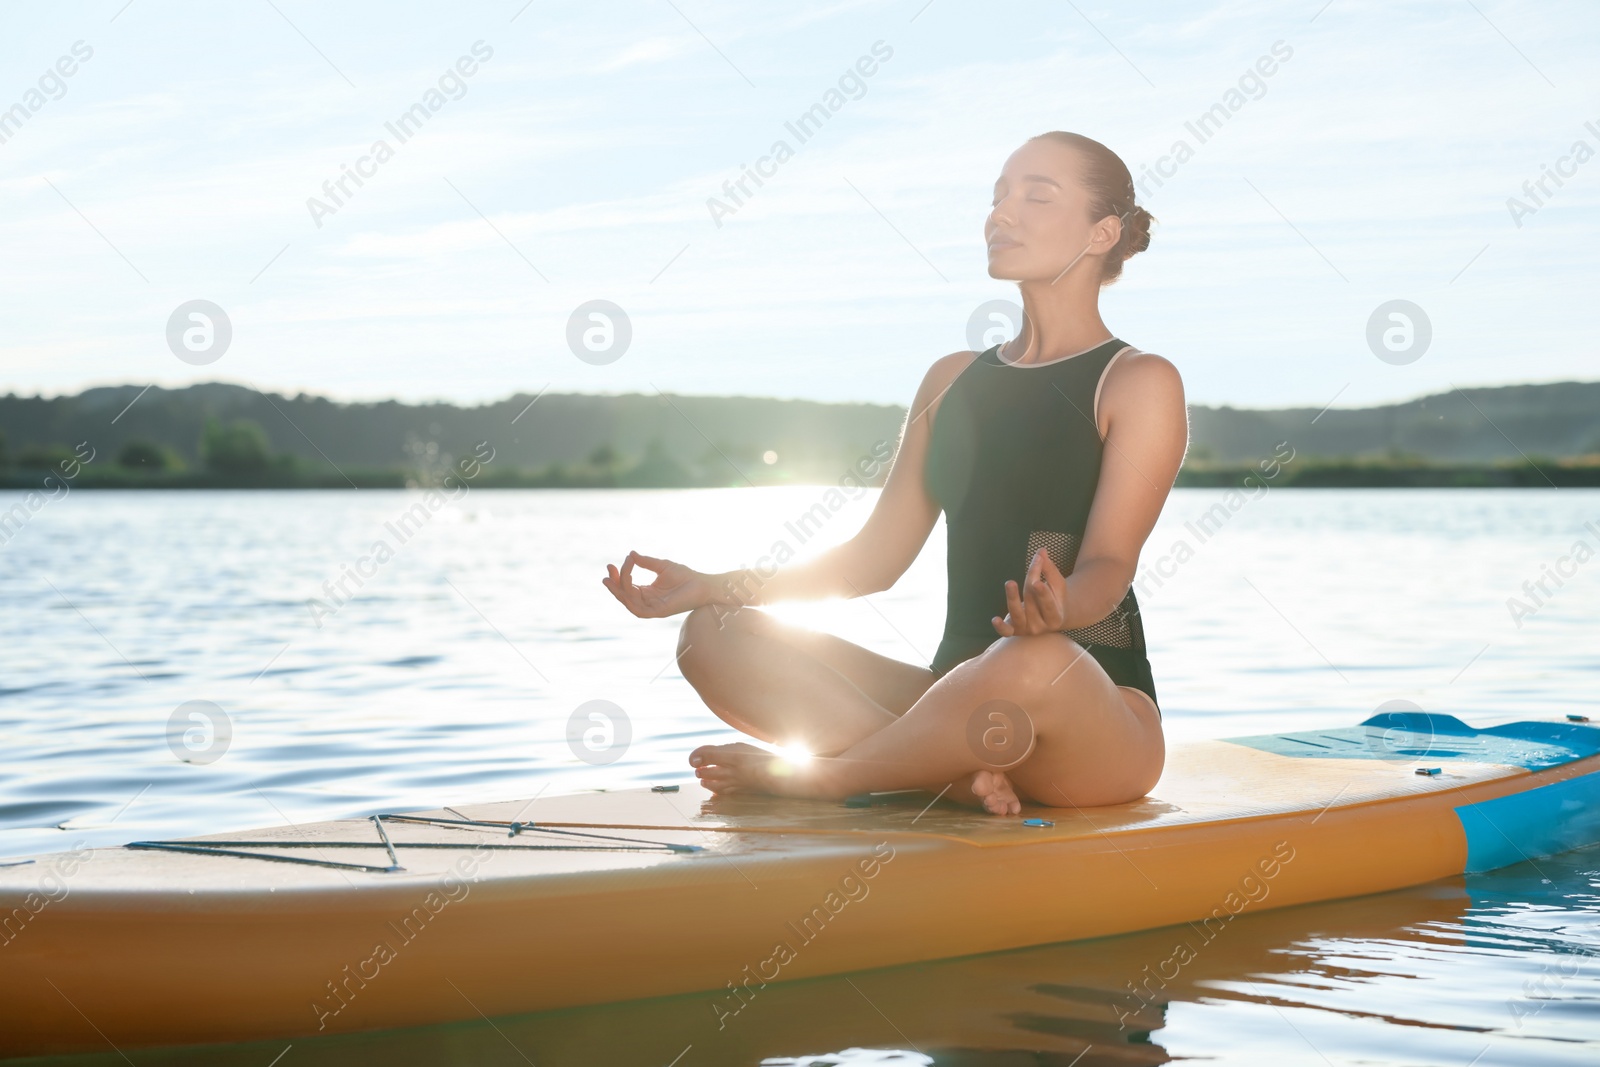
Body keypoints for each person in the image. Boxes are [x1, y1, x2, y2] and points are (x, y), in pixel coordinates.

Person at [602, 131, 1189, 815]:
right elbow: (873, 561)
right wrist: (715, 584)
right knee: (711, 632)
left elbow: (1110, 563)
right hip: (952, 700)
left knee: (1030, 659)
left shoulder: (1138, 380)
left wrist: (1063, 608)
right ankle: (939, 772)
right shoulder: (950, 381)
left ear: (1102, 232)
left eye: (1037, 195)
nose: (1002, 214)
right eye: (998, 196)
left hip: (1090, 718)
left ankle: (834, 773)